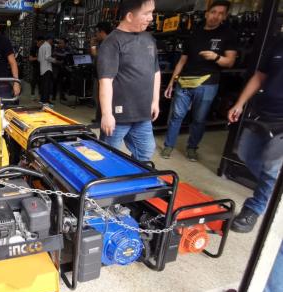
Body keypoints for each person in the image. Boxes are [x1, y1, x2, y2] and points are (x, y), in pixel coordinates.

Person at [161, 0, 238, 162]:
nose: (216, 16)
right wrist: (172, 81)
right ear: (207, 13)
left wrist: (216, 57)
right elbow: (182, 60)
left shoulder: (228, 35)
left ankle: (192, 148)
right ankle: (169, 145)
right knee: (176, 115)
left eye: (220, 13)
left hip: (207, 84)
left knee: (199, 118)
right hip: (185, 81)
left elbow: (230, 62)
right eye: (213, 12)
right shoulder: (194, 33)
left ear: (225, 16)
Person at [227, 38, 283, 233]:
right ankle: (275, 188)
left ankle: (253, 208)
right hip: (263, 112)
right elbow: (259, 76)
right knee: (246, 153)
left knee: (271, 167)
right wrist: (239, 104)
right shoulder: (277, 44)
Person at [97, 0, 160, 162]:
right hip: (118, 117)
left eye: (152, 12)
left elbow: (156, 72)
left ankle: (134, 184)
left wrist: (155, 101)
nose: (151, 18)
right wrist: (106, 114)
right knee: (107, 156)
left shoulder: (149, 39)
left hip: (143, 113)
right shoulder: (112, 42)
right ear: (130, 16)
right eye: (146, 13)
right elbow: (106, 81)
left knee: (145, 151)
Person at [91, 22, 113, 125]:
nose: (96, 35)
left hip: (104, 76)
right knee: (99, 98)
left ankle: (100, 120)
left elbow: (98, 58)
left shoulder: (107, 43)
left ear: (102, 32)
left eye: (97, 32)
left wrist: (92, 46)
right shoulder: (105, 42)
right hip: (102, 75)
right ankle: (98, 118)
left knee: (100, 98)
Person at [38, 35, 59, 108]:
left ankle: (42, 100)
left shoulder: (41, 46)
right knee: (47, 86)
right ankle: (46, 101)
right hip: (47, 68)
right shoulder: (48, 46)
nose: (52, 42)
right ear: (50, 40)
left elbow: (39, 59)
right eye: (52, 41)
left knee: (43, 86)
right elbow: (47, 57)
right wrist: (54, 60)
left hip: (42, 68)